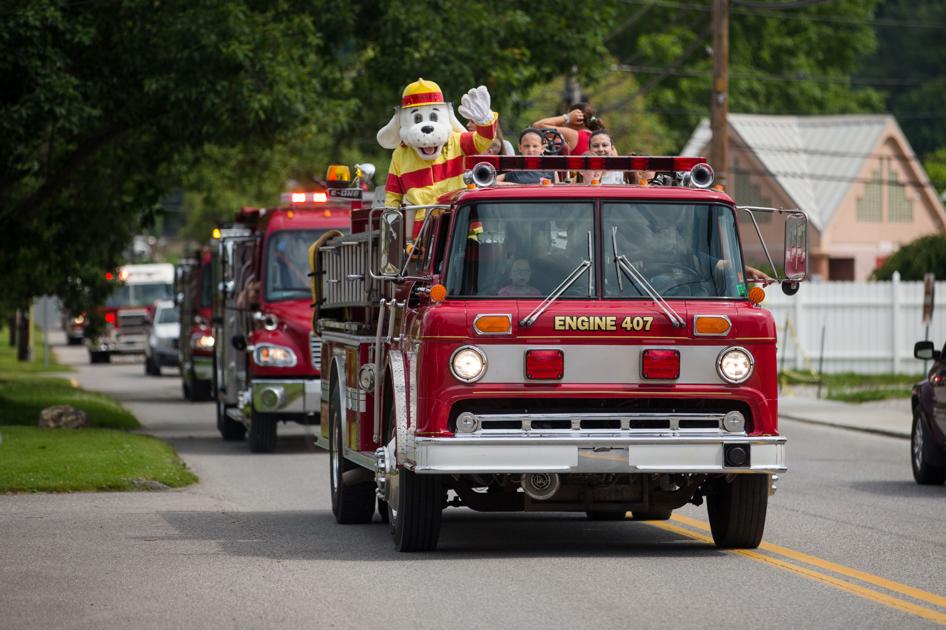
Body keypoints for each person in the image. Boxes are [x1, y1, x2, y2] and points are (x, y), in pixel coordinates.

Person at [532, 102, 603, 155]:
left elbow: (537, 126)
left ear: (577, 120)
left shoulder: (575, 135)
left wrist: (566, 117)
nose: (565, 123)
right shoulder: (601, 137)